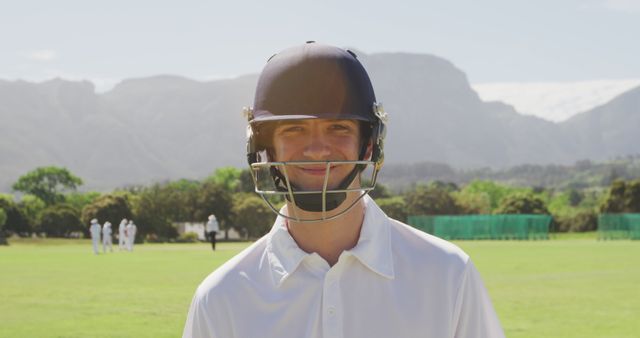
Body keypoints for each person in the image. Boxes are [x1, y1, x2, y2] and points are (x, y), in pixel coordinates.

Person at [183, 42, 504, 338]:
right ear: (267, 149)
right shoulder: (221, 298)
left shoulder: (446, 275)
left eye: (338, 128)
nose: (316, 149)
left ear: (368, 146)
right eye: (294, 129)